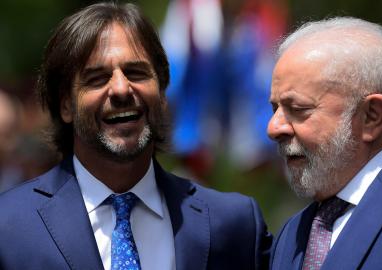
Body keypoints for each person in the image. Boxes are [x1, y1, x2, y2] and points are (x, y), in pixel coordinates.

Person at [0, 2, 271, 270]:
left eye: (136, 73)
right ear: (66, 106)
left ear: (163, 93)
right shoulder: (9, 226)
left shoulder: (234, 226)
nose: (121, 89)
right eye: (97, 78)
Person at [267, 16, 382, 270]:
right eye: (274, 108)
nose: (273, 128)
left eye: (297, 108)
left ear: (371, 115)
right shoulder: (292, 233)